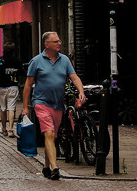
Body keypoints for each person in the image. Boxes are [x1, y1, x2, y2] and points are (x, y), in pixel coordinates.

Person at [22, 30, 86, 181]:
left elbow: (74, 78)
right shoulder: (36, 61)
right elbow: (28, 85)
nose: (59, 43)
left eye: (59, 41)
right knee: (49, 133)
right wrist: (25, 107)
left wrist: (81, 91)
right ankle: (55, 168)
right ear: (47, 44)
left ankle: (45, 166)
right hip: (41, 102)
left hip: (58, 104)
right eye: (56, 41)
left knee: (52, 137)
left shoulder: (64, 60)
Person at [0, 43, 21, 138]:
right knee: (11, 108)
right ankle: (11, 129)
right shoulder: (16, 61)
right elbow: (21, 72)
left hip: (1, 87)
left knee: (3, 108)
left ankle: (4, 129)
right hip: (13, 86)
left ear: (3, 50)